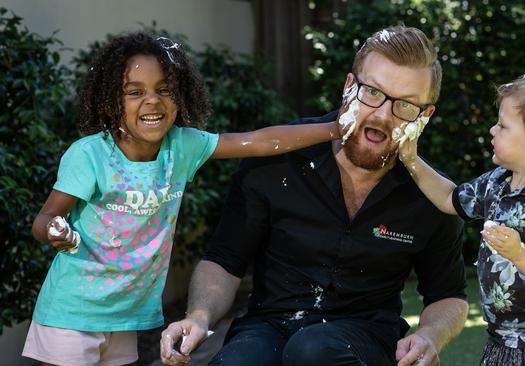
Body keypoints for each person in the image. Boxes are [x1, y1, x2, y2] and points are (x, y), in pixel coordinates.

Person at [22, 31, 345, 366]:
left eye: (164, 89)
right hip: (72, 313)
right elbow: (43, 220)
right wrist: (55, 229)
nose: (152, 100)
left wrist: (335, 128)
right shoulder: (89, 156)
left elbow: (258, 141)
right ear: (110, 100)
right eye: (135, 92)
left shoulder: (182, 147)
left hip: (124, 317)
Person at [160, 25, 468, 366]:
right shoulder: (277, 161)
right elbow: (224, 260)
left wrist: (429, 335)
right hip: (268, 325)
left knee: (313, 349)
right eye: (372, 93)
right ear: (349, 87)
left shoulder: (433, 196)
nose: (382, 115)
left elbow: (448, 296)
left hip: (366, 336)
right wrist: (199, 317)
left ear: (424, 116)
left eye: (406, 106)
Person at [399, 71, 525, 365]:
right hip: (501, 341)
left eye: (503, 126)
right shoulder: (497, 183)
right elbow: (448, 198)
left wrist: (519, 253)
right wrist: (410, 159)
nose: (493, 130)